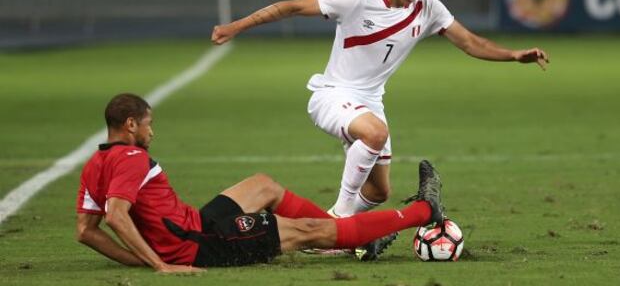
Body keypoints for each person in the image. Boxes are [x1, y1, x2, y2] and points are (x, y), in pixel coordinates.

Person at [211, 0, 549, 220]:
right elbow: (292, 7)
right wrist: (235, 26)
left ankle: (321, 229)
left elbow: (471, 42)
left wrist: (514, 55)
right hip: (332, 95)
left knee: (378, 191)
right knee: (375, 133)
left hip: (371, 101)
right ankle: (338, 225)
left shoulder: (429, 8)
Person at [75, 93, 445, 271]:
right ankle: (424, 210)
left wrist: (139, 260)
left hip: (195, 225)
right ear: (130, 126)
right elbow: (117, 215)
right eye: (148, 124)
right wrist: (158, 264)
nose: (151, 131)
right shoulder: (131, 157)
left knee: (263, 185)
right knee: (311, 230)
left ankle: (358, 236)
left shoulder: (96, 162)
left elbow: (86, 230)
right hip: (201, 245)